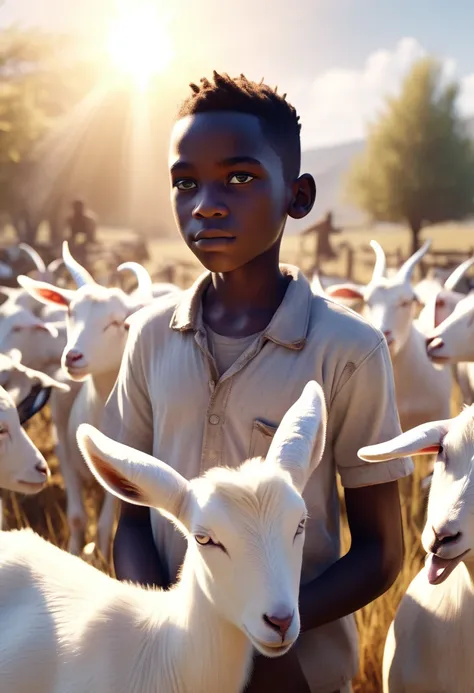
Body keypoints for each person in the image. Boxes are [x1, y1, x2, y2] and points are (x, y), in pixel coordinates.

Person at [101, 72, 413, 693]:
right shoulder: (149, 339)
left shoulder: (350, 351)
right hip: (166, 672)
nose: (206, 204)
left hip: (297, 674)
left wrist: (271, 636)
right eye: (185, 183)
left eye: (239, 179)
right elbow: (131, 523)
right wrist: (179, 626)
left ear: (297, 197)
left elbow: (381, 551)